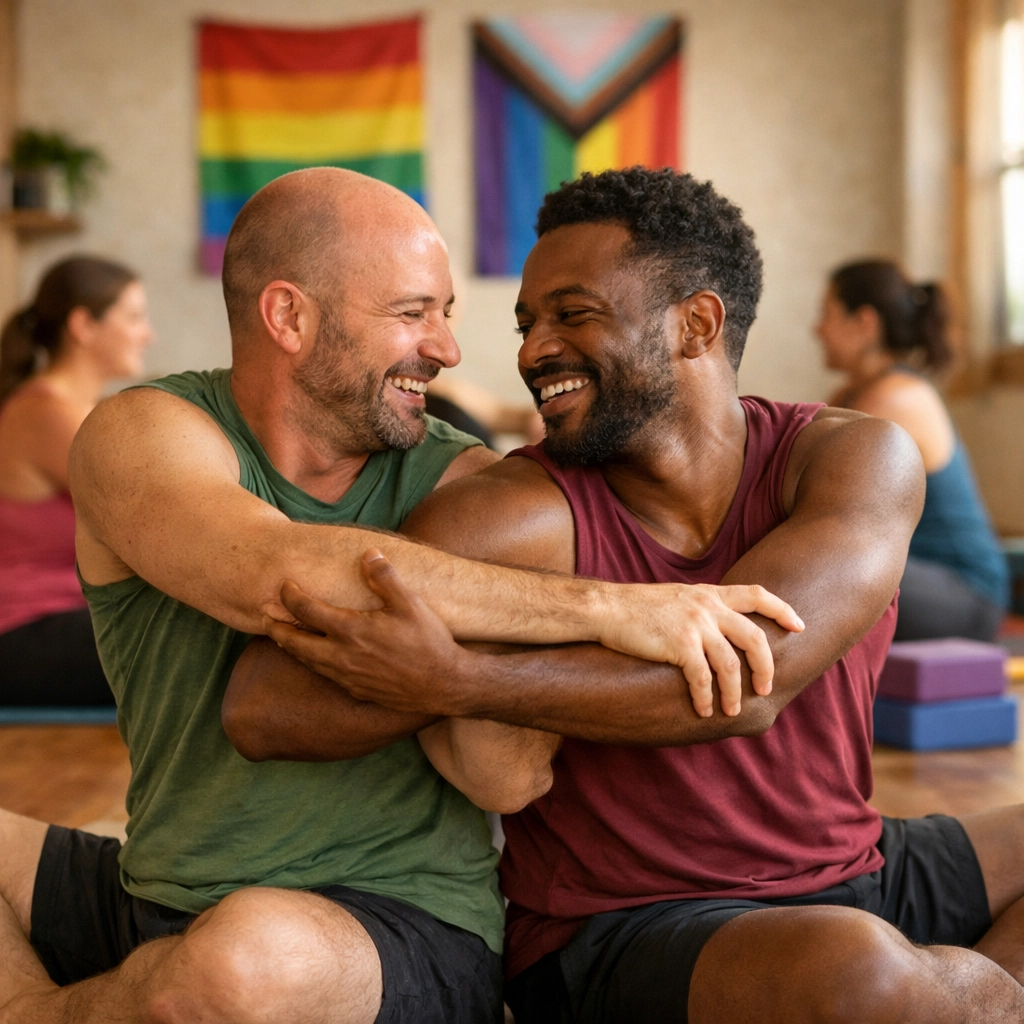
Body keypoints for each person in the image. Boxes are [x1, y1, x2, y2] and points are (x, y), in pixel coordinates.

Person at [0, 168, 801, 1024]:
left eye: (447, 314)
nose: (449, 349)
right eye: (414, 312)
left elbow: (505, 780)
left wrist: (465, 666)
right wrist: (610, 606)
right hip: (154, 889)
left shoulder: (470, 486)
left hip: (396, 926)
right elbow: (275, 572)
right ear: (290, 316)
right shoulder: (144, 433)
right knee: (216, 952)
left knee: (243, 962)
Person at [239, 169, 1024, 1023]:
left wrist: (457, 680)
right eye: (527, 323)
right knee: (869, 971)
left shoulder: (851, 457)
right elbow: (264, 708)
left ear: (697, 323)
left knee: (907, 975)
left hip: (853, 872)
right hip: (623, 928)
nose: (533, 349)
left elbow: (751, 683)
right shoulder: (517, 514)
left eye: (572, 315)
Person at [817, 259, 1009, 641]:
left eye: (828, 315)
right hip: (915, 576)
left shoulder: (898, 397)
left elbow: (813, 482)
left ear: (864, 324)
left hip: (964, 592)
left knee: (828, 566)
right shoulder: (850, 394)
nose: (817, 329)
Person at [0, 255, 151, 706]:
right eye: (135, 317)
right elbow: (152, 513)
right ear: (84, 325)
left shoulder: (80, 413)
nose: (148, 333)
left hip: (67, 617)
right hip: (22, 631)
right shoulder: (44, 414)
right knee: (192, 647)